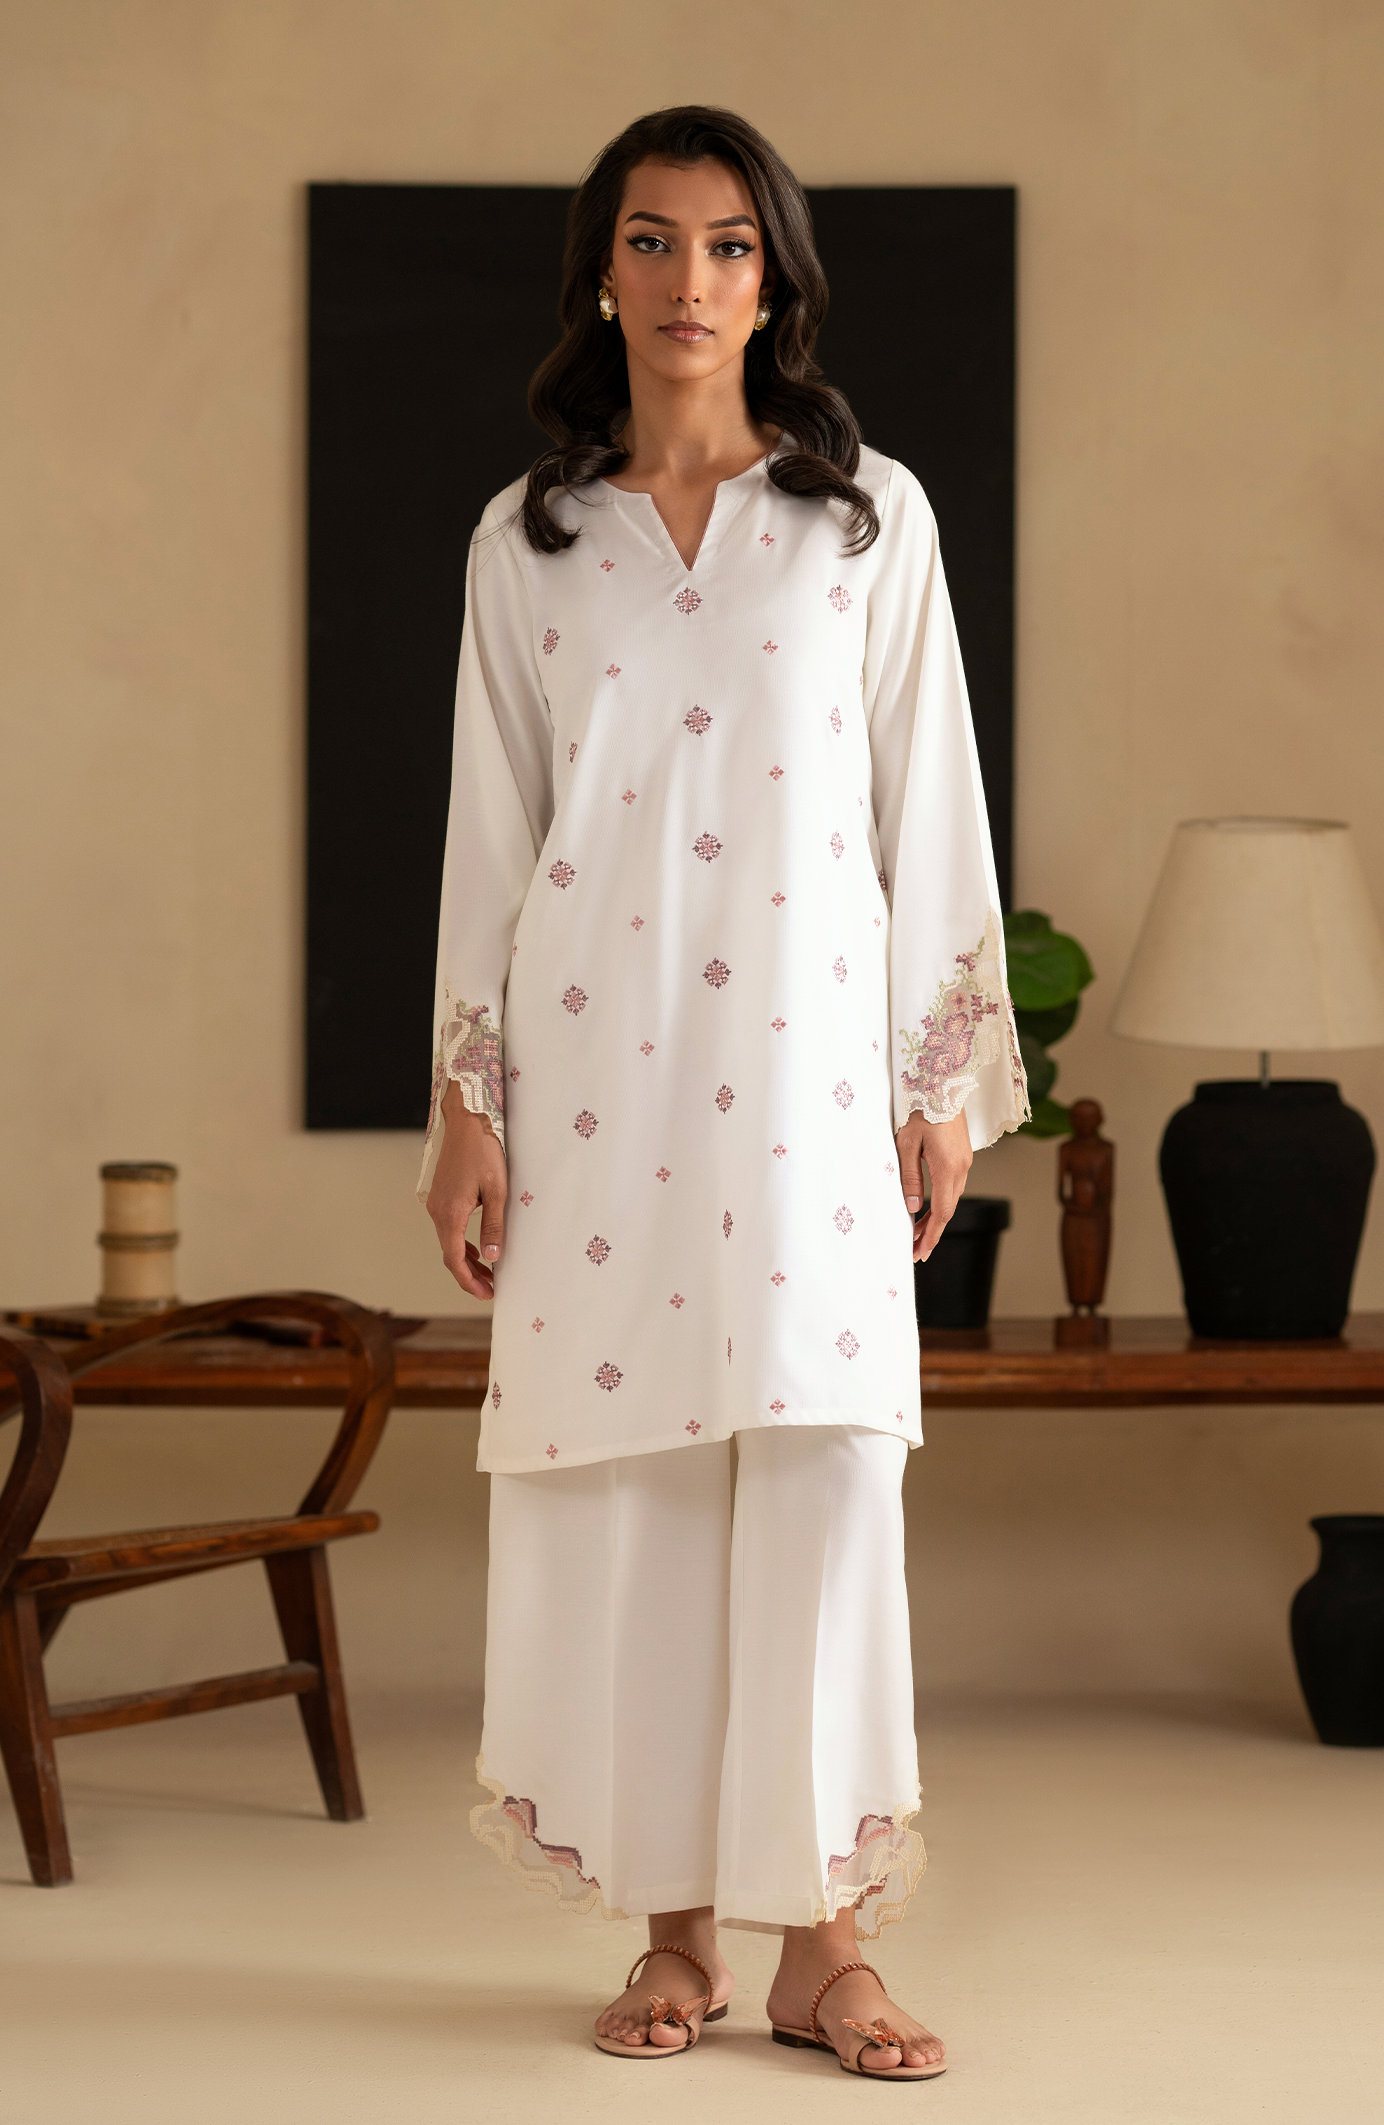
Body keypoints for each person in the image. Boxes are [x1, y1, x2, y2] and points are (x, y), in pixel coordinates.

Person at [422, 105, 1027, 2082]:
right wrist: (468, 1101)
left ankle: (824, 1948)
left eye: (729, 246)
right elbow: (492, 836)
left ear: (775, 281)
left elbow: (928, 802)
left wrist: (938, 1081)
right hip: (599, 1082)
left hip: (806, 1079)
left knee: (822, 1473)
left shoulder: (863, 521)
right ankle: (676, 1936)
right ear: (602, 273)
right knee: (644, 1490)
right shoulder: (528, 542)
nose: (691, 282)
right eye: (654, 241)